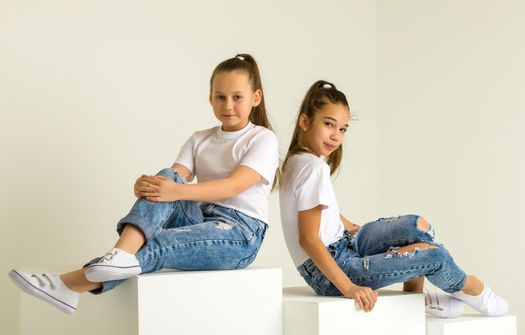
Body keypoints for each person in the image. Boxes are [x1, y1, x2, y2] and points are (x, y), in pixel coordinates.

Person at [9, 54, 280, 314]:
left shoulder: (262, 139)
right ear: (210, 98)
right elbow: (174, 179)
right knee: (165, 176)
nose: (228, 105)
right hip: (201, 219)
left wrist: (178, 191)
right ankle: (120, 254)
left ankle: (69, 284)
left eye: (237, 97)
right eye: (220, 97)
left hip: (240, 234)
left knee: (159, 241)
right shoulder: (200, 138)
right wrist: (149, 186)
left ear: (255, 98)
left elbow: (233, 186)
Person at [279, 80, 508, 317]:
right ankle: (468, 285)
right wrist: (348, 287)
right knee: (436, 255)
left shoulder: (298, 162)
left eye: (343, 129)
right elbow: (308, 238)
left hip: (344, 244)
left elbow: (321, 212)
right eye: (329, 125)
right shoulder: (312, 168)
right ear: (305, 122)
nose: (336, 136)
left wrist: (354, 229)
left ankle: (415, 298)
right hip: (332, 269)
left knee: (419, 226)